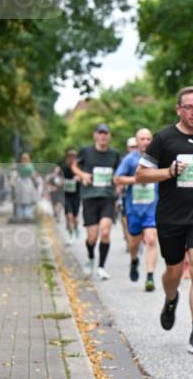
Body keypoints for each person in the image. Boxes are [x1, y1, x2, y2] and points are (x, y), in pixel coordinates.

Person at [135, 87, 193, 354]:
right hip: (171, 217)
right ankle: (171, 299)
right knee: (173, 271)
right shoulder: (164, 138)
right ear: (178, 109)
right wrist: (169, 171)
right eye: (189, 107)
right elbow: (141, 176)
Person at [72, 123, 122, 279]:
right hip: (89, 197)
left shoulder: (114, 154)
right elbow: (74, 166)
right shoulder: (86, 151)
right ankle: (91, 257)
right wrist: (82, 175)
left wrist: (118, 188)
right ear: (95, 135)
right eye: (100, 133)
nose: (103, 136)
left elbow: (120, 173)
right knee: (92, 238)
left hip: (107, 197)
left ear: (109, 136)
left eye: (106, 133)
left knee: (105, 232)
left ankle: (101, 267)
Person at [115, 128, 159, 291]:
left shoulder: (157, 158)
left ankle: (149, 276)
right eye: (142, 139)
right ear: (137, 141)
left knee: (151, 239)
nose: (146, 142)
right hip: (133, 209)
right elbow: (117, 178)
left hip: (152, 208)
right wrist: (138, 179)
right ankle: (134, 261)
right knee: (133, 243)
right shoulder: (129, 159)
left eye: (148, 139)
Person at [60, 149, 81, 242]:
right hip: (66, 196)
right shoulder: (63, 168)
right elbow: (57, 179)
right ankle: (70, 235)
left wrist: (79, 178)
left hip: (76, 196)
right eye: (70, 157)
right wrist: (61, 181)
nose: (71, 159)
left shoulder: (78, 168)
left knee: (75, 218)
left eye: (73, 158)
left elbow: (85, 178)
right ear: (67, 158)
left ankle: (76, 227)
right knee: (69, 216)